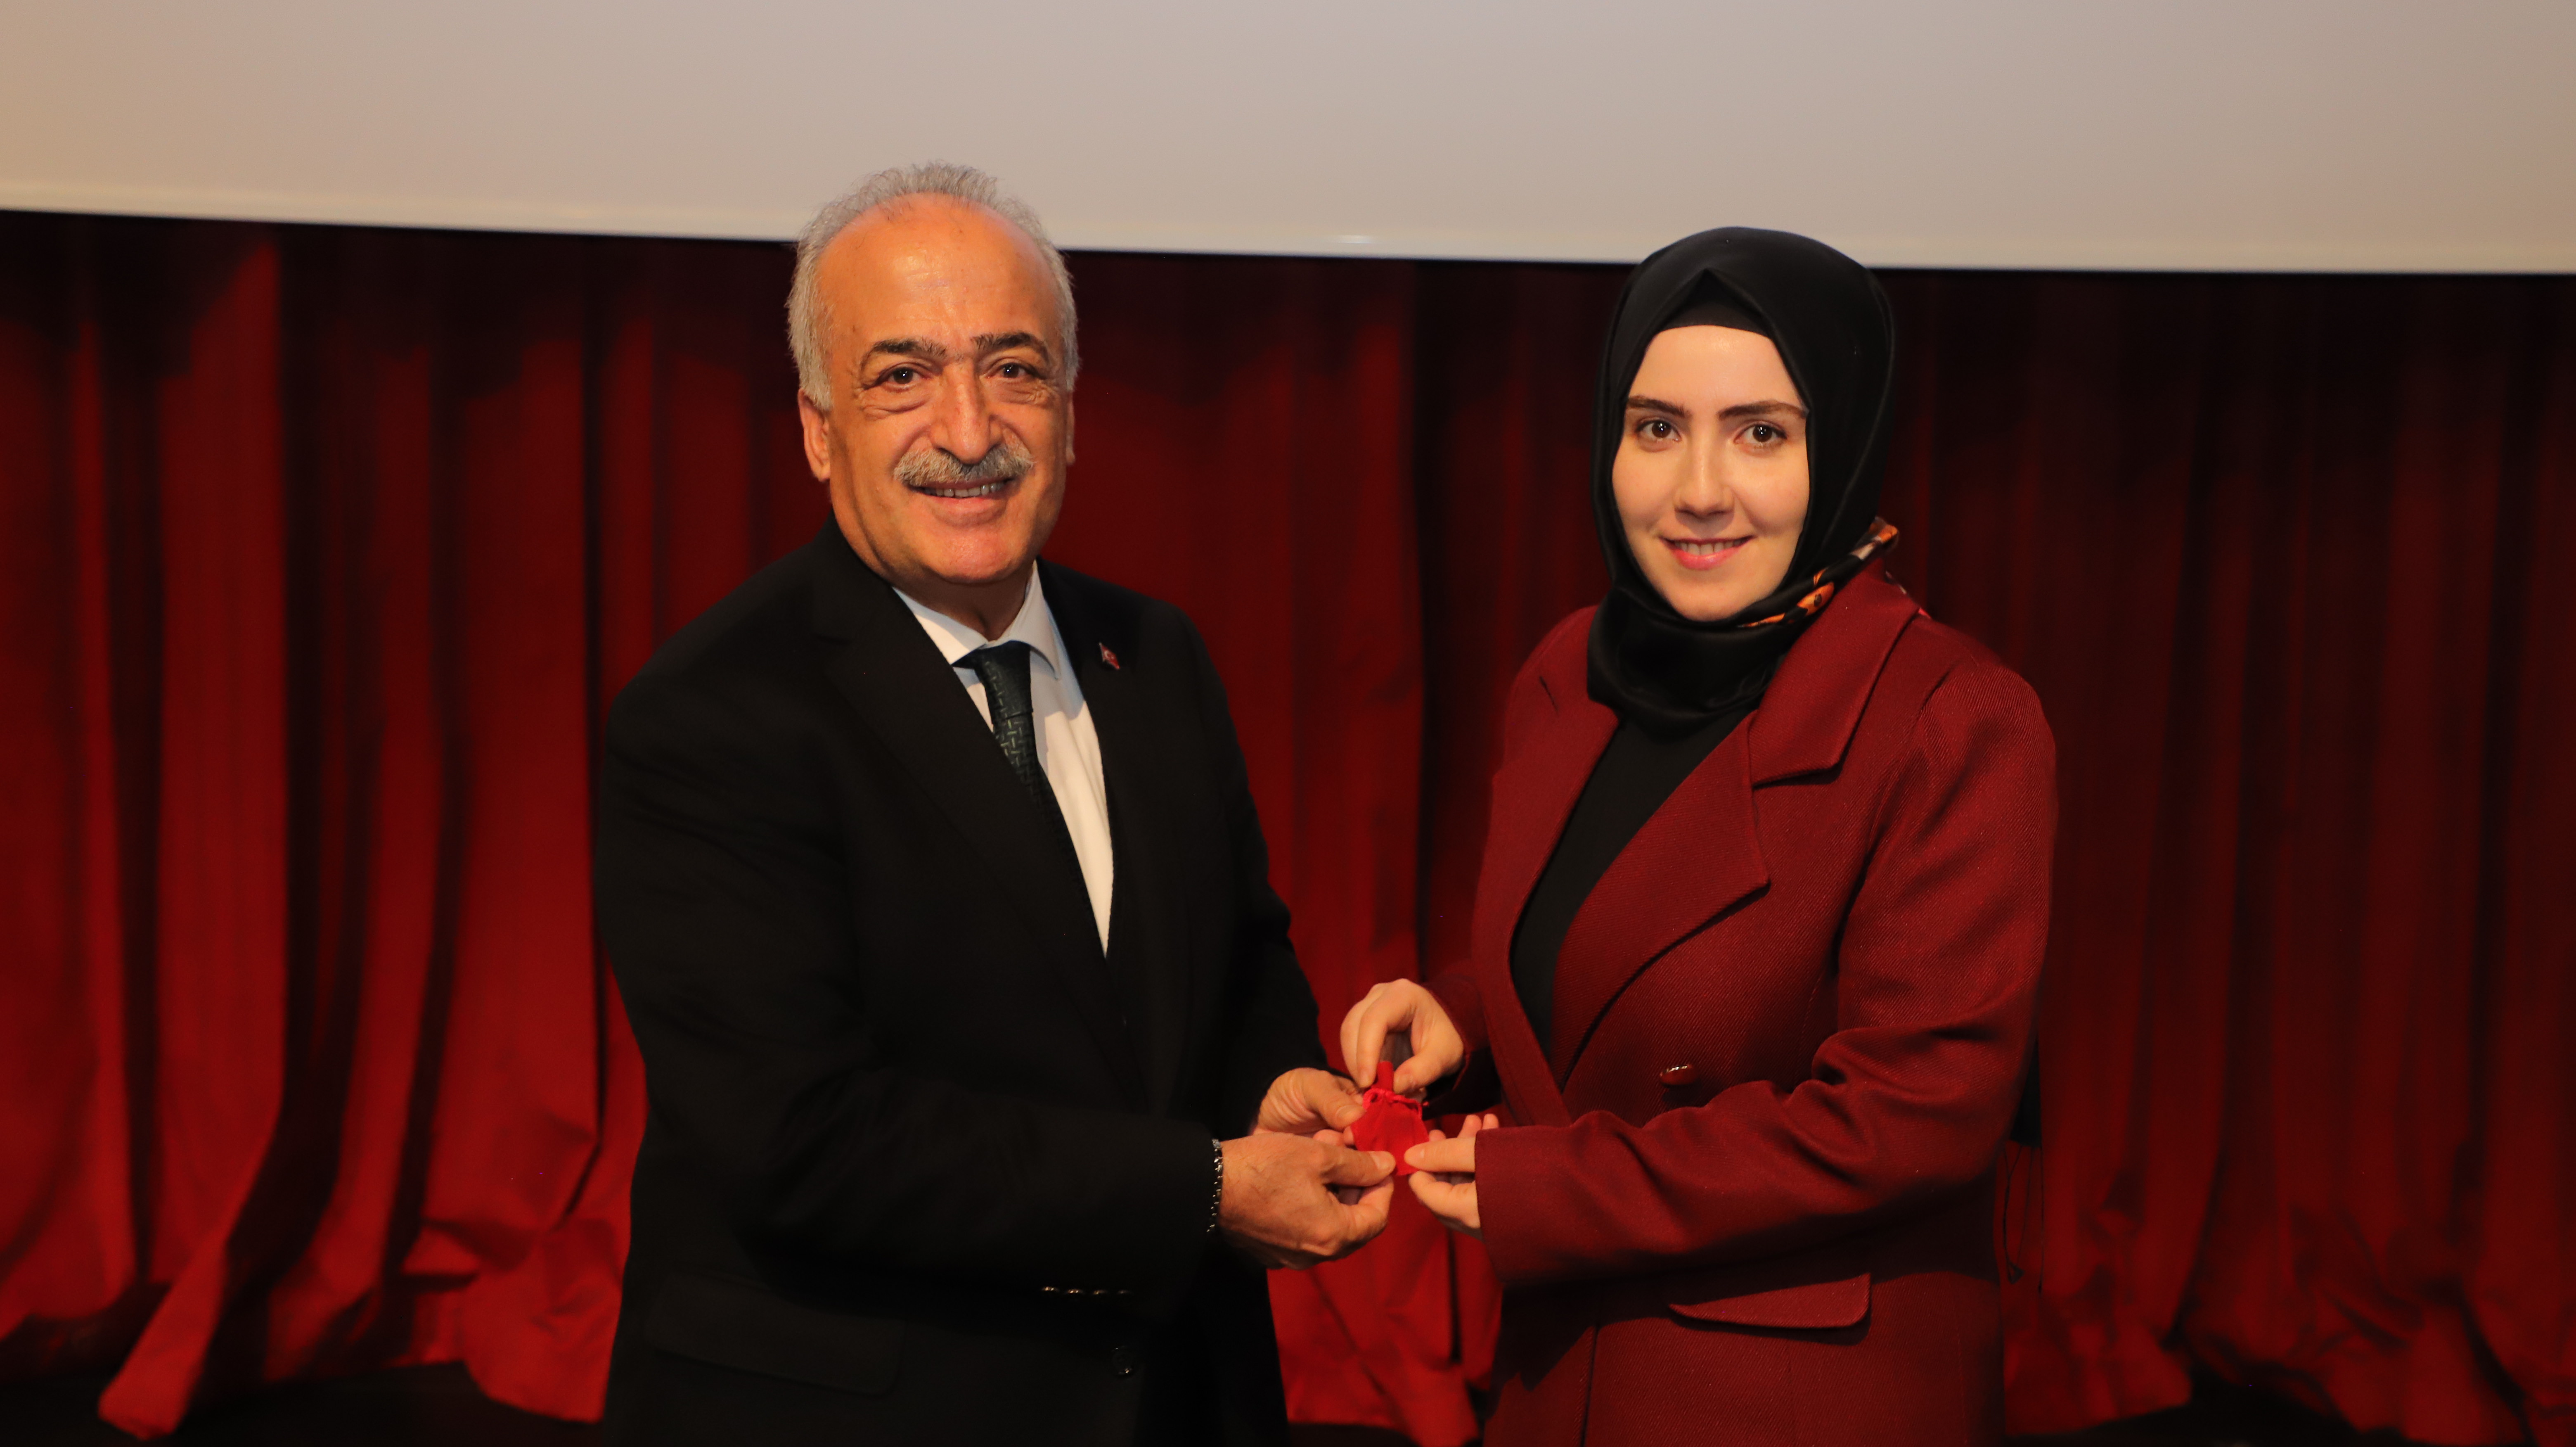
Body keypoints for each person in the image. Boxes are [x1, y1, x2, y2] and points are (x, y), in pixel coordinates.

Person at [596, 162, 1396, 1447]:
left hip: (1174, 1400)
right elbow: (802, 1141)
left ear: (1070, 412)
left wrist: (1277, 1093)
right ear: (818, 429)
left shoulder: (1158, 655)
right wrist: (1204, 1187)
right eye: (902, 375)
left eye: (1014, 369)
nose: (969, 431)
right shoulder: (710, 716)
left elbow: (1238, 956)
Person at [1341, 228, 2055, 1445]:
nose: (1700, 489)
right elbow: (1622, 952)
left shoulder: (1957, 717)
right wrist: (1466, 1019)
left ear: (1844, 446)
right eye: (1658, 427)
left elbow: (1912, 1116)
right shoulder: (1569, 672)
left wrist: (1556, 1187)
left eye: (1762, 433)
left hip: (1795, 1402)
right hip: (1560, 1380)